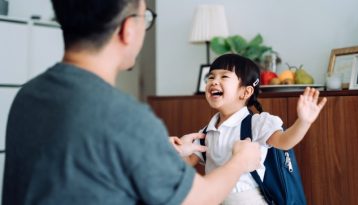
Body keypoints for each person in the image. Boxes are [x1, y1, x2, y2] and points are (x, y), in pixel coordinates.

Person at [2, 1, 262, 205]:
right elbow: (196, 199)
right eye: (144, 18)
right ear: (128, 28)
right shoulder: (125, 117)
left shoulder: (29, 95)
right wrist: (240, 161)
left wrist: (160, 155)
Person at [183, 53, 327, 205]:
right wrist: (179, 150)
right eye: (211, 77)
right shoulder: (207, 131)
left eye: (224, 77)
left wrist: (303, 122)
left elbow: (284, 142)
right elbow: (188, 160)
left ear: (245, 92)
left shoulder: (257, 124)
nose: (214, 82)